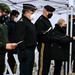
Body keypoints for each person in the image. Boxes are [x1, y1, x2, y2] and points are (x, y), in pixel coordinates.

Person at [15, 4, 37, 75]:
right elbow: (20, 38)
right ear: (26, 12)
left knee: (29, 71)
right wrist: (22, 51)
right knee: (25, 71)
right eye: (32, 13)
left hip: (31, 49)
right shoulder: (22, 23)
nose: (33, 15)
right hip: (25, 50)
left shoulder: (29, 22)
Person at [35, 5, 55, 75]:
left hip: (48, 45)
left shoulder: (46, 20)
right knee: (43, 66)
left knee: (47, 65)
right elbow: (40, 34)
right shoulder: (40, 21)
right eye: (50, 12)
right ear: (45, 11)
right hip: (43, 44)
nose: (51, 14)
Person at [0, 8, 17, 75]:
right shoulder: (8, 24)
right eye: (2, 13)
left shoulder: (4, 25)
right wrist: (5, 45)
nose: (3, 16)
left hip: (3, 52)